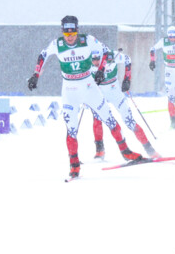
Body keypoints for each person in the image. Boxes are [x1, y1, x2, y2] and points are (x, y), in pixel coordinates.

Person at [27, 15, 142, 179]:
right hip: (70, 91)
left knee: (109, 118)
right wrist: (35, 75)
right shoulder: (57, 44)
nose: (70, 36)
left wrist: (101, 70)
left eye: (73, 32)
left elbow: (105, 51)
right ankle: (74, 166)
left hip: (89, 87)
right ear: (62, 32)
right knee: (71, 129)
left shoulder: (87, 40)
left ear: (77, 30)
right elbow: (43, 55)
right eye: (66, 33)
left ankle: (125, 151)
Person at [89, 46, 159, 159]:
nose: (96, 62)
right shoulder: (86, 59)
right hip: (99, 93)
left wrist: (127, 79)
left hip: (115, 92)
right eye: (93, 60)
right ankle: (100, 151)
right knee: (97, 119)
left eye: (98, 59)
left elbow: (127, 59)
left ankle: (150, 150)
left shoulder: (112, 56)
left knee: (129, 121)